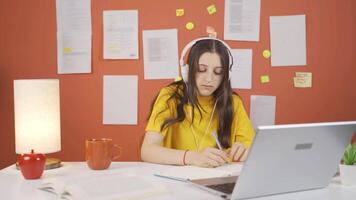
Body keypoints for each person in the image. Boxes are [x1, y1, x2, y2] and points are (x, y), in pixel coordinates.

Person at [141, 38, 255, 168]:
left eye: (218, 72)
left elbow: (253, 150)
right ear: (187, 70)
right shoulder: (170, 96)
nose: (209, 79)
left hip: (217, 177)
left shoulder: (234, 102)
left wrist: (244, 151)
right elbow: (147, 151)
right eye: (201, 69)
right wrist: (193, 157)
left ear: (226, 76)